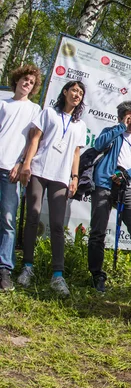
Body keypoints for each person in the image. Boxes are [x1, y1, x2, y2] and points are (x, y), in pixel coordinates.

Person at [18, 81, 87, 296]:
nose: (77, 95)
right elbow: (35, 138)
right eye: (74, 90)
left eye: (81, 93)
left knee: (57, 225)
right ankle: (27, 267)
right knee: (33, 217)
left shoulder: (80, 125)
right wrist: (27, 164)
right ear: (65, 92)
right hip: (38, 170)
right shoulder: (49, 113)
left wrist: (74, 177)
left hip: (60, 177)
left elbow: (76, 153)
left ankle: (58, 275)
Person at [87, 101, 131, 297]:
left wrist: (128, 174)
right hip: (104, 184)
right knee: (98, 231)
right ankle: (97, 275)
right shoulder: (112, 132)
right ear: (122, 118)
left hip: (128, 186)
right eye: (129, 118)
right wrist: (120, 127)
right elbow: (98, 145)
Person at [0, 65, 41, 291]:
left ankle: (4, 269)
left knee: (7, 220)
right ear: (16, 80)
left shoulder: (35, 110)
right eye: (25, 79)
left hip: (11, 171)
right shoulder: (2, 103)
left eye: (32, 82)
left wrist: (20, 163)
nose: (28, 83)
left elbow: (32, 142)